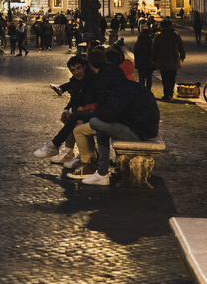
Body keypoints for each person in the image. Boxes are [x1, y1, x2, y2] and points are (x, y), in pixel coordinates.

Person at [69, 46, 161, 185]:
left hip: (140, 132)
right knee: (99, 124)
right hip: (141, 127)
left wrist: (91, 113)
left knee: (96, 123)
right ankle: (101, 172)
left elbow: (109, 114)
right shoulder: (124, 85)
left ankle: (101, 172)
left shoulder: (119, 90)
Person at [33, 53, 103, 165]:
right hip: (87, 112)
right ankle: (68, 151)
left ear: (84, 66)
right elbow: (74, 99)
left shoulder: (91, 80)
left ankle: (59, 147)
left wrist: (72, 111)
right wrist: (66, 110)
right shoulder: (74, 81)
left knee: (75, 120)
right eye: (73, 70)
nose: (77, 72)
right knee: (72, 118)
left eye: (79, 68)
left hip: (96, 112)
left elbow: (88, 101)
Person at [152, 19, 186, 102]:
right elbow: (181, 46)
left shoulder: (159, 35)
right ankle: (170, 93)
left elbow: (154, 48)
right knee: (172, 77)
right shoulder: (175, 34)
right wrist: (182, 55)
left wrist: (153, 58)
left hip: (162, 59)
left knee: (165, 78)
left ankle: (166, 94)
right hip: (173, 59)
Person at [133, 23, 155, 90]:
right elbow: (153, 52)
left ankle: (141, 92)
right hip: (149, 63)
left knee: (141, 78)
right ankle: (148, 91)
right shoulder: (151, 42)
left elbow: (136, 53)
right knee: (149, 78)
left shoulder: (138, 42)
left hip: (140, 63)